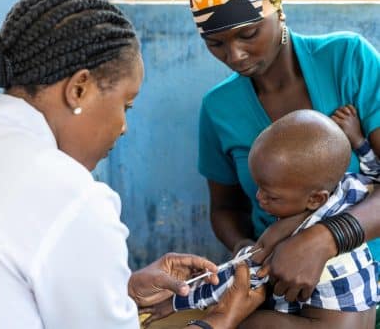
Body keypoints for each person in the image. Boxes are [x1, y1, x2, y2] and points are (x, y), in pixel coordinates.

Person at [0, 0, 265, 329]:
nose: (123, 128)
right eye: (126, 105)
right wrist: (221, 319)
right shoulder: (73, 198)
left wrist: (122, 290)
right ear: (79, 89)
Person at [173, 0, 380, 315]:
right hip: (278, 289)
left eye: (249, 33)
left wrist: (326, 239)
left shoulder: (349, 61)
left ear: (276, 8)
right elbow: (225, 207)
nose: (235, 55)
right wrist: (249, 252)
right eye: (215, 43)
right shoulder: (218, 108)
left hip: (365, 283)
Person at [140, 109, 380, 328]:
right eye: (259, 187)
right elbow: (375, 172)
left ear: (315, 199)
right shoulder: (351, 188)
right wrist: (359, 142)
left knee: (248, 322)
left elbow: (235, 282)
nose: (258, 198)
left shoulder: (284, 233)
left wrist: (176, 302)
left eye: (271, 196)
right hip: (366, 317)